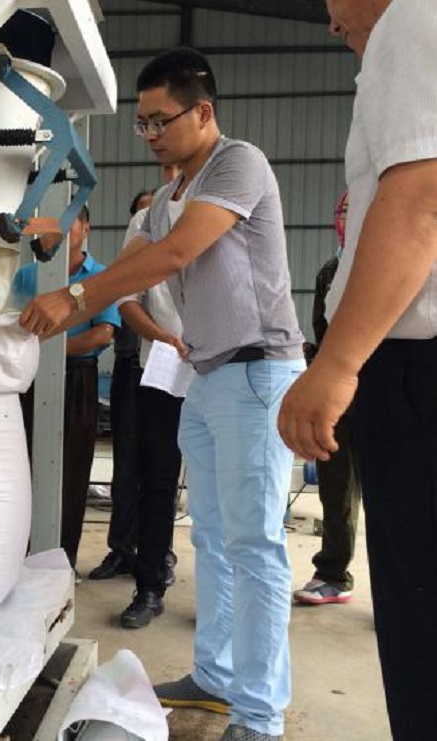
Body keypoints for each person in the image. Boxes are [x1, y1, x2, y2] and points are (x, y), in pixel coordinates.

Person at [20, 47, 304, 741]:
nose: (149, 135)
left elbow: (173, 256)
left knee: (254, 543)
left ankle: (259, 716)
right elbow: (130, 263)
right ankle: (216, 676)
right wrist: (53, 254)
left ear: (201, 111)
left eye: (159, 121)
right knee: (210, 534)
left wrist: (75, 297)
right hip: (205, 376)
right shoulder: (171, 195)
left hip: (257, 371)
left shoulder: (238, 164)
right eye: (141, 123)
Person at [278, 2, 437, 738]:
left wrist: (337, 363)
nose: (333, 25)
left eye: (333, 8)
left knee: (420, 619)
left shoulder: (414, 17)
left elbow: (419, 199)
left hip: (414, 366)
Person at [14, 205, 121, 572]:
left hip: (76, 377)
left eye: (68, 221)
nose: (57, 229)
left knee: (71, 470)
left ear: (86, 228)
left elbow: (102, 333)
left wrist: (50, 348)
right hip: (29, 378)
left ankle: (62, 561)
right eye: (50, 222)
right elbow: (11, 326)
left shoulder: (100, 277)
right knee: (23, 465)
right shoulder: (26, 276)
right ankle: (21, 557)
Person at [116, 164, 188, 629]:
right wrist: (161, 336)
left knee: (223, 486)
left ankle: (225, 598)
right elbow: (126, 298)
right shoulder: (145, 222)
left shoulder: (223, 207)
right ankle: (149, 586)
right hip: (164, 367)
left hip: (220, 366)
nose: (174, 173)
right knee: (157, 478)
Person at [294, 193, 363, 606]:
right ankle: (333, 573)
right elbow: (324, 334)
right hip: (340, 395)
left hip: (391, 392)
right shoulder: (330, 272)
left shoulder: (395, 262)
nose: (349, 219)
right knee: (336, 488)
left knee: (401, 493)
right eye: (344, 211)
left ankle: (411, 588)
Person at [89, 191, 153, 582]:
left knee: (160, 466)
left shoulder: (178, 267)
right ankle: (121, 550)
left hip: (166, 369)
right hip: (130, 367)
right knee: (126, 464)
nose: (148, 219)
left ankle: (156, 554)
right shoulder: (123, 271)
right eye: (141, 213)